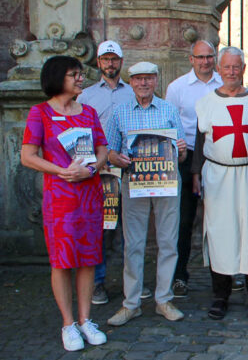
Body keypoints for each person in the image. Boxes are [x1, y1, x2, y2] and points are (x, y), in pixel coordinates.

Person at [21, 55, 109, 351]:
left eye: (80, 74)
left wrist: (92, 169)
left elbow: (103, 149)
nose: (81, 79)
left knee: (87, 257)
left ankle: (86, 319)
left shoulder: (89, 112)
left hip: (89, 195)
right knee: (62, 260)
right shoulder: (40, 113)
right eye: (75, 74)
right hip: (60, 197)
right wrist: (61, 170)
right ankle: (68, 323)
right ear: (59, 78)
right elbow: (28, 155)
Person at [105, 61, 188, 326]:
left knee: (168, 241)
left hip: (166, 183)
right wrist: (117, 159)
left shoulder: (168, 109)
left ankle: (163, 299)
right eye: (138, 79)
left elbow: (181, 153)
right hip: (134, 184)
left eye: (148, 78)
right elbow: (109, 151)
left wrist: (182, 149)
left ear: (156, 81)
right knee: (134, 244)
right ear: (131, 82)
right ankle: (131, 304)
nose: (143, 83)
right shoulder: (119, 112)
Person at [192, 47, 248, 319]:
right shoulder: (205, 104)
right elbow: (199, 143)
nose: (231, 72)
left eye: (236, 67)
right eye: (226, 67)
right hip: (217, 176)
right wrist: (195, 176)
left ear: (243, 69)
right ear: (219, 69)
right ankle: (220, 294)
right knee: (219, 234)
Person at [77, 40, 136, 305]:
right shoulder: (87, 96)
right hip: (101, 172)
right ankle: (98, 283)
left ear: (121, 61)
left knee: (130, 228)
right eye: (105, 59)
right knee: (102, 228)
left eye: (114, 59)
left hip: (131, 167)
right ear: (98, 62)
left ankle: (130, 284)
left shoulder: (132, 92)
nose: (110, 64)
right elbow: (81, 134)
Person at [165, 39, 223, 297]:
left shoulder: (224, 85)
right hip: (186, 156)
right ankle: (179, 274)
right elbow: (170, 123)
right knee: (185, 220)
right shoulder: (177, 88)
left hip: (217, 156)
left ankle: (225, 273)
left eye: (209, 57)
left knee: (220, 218)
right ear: (191, 59)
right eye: (200, 57)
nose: (205, 62)